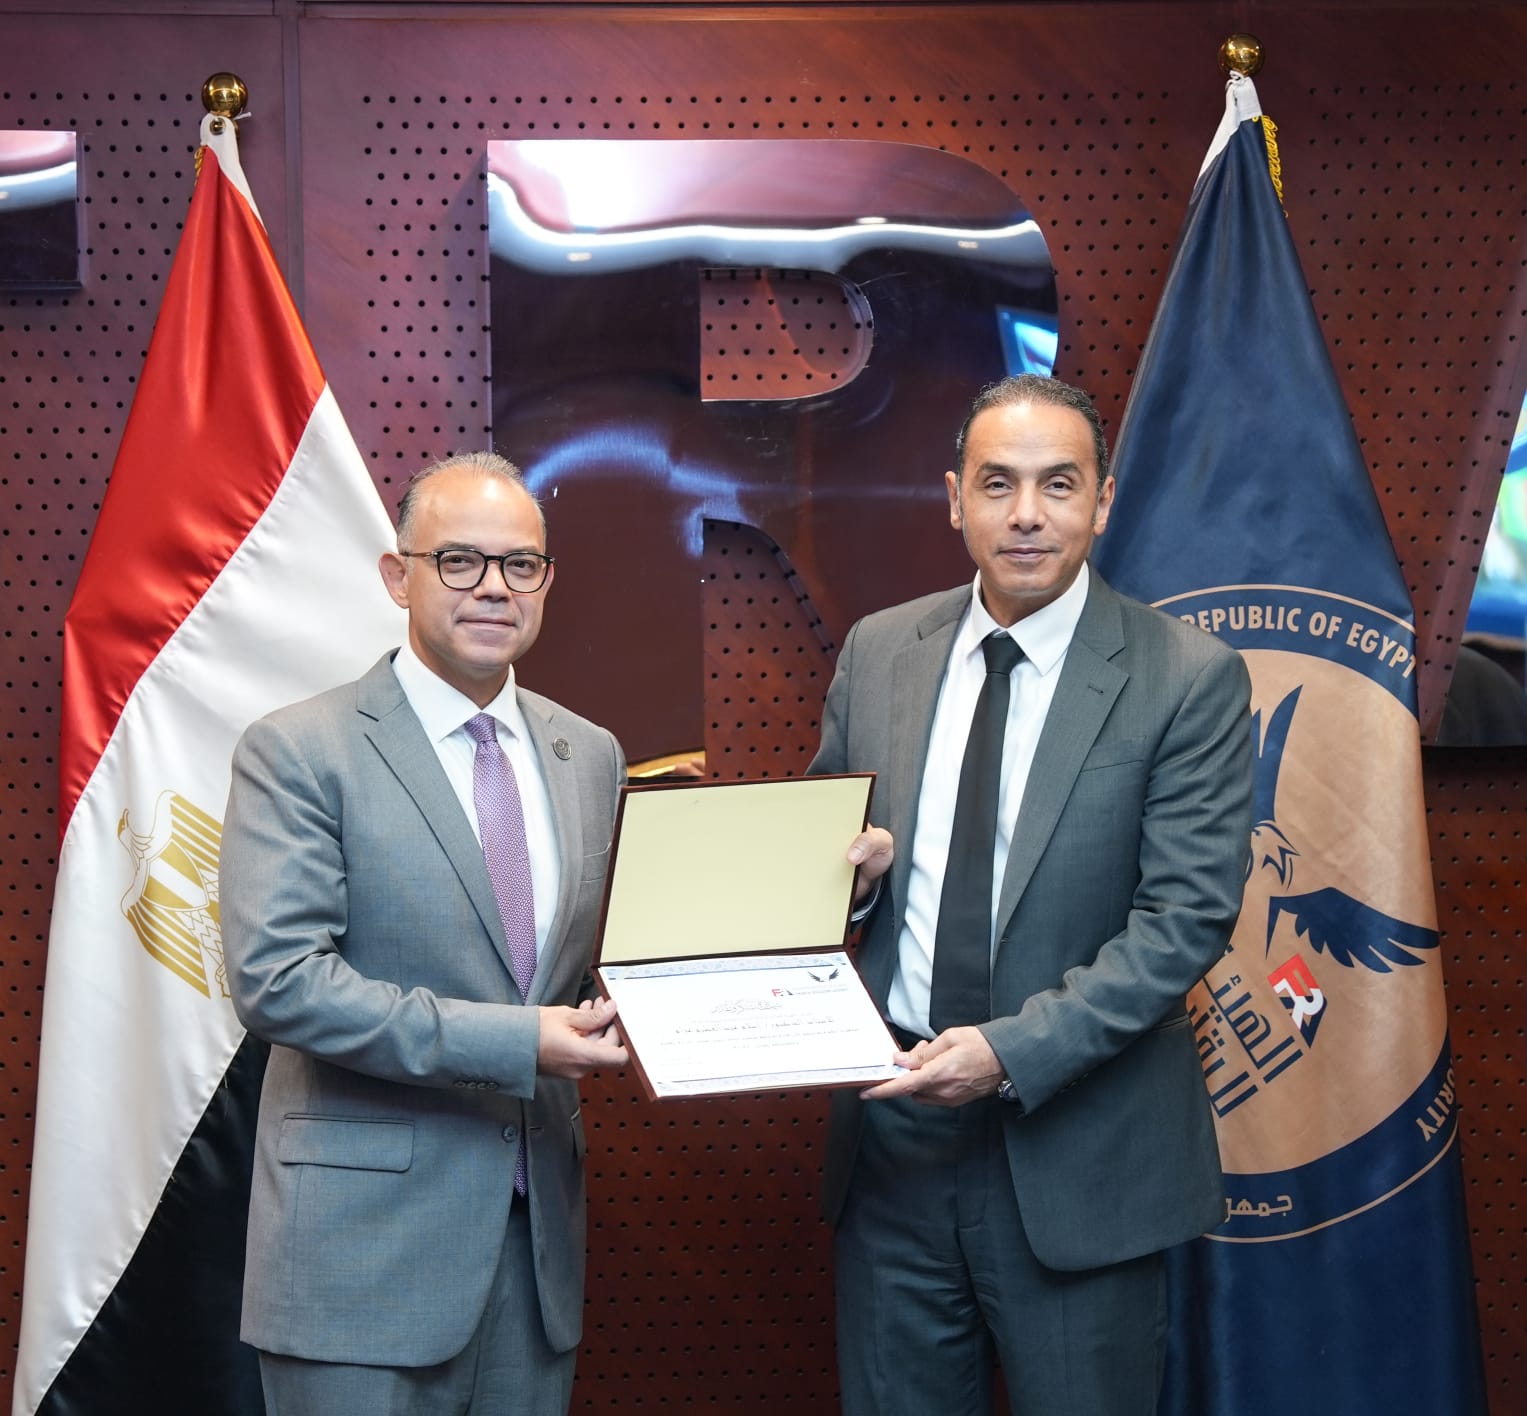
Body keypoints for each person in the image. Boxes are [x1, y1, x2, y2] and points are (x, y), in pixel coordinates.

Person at [816, 375, 1254, 1416]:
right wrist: (852, 893)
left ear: (1102, 502)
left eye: (1058, 485)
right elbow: (826, 872)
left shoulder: (1185, 677)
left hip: (1080, 1147)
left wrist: (1010, 1053)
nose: (1025, 513)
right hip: (896, 1139)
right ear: (954, 500)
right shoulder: (879, 652)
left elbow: (1183, 921)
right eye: (997, 483)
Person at [221, 452, 628, 1416]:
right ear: (397, 577)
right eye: (458, 560)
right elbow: (280, 984)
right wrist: (520, 1041)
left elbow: (592, 965)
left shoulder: (588, 753)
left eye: (519, 564)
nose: (493, 586)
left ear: (546, 582)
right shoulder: (300, 750)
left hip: (533, 1253)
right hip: (361, 1257)